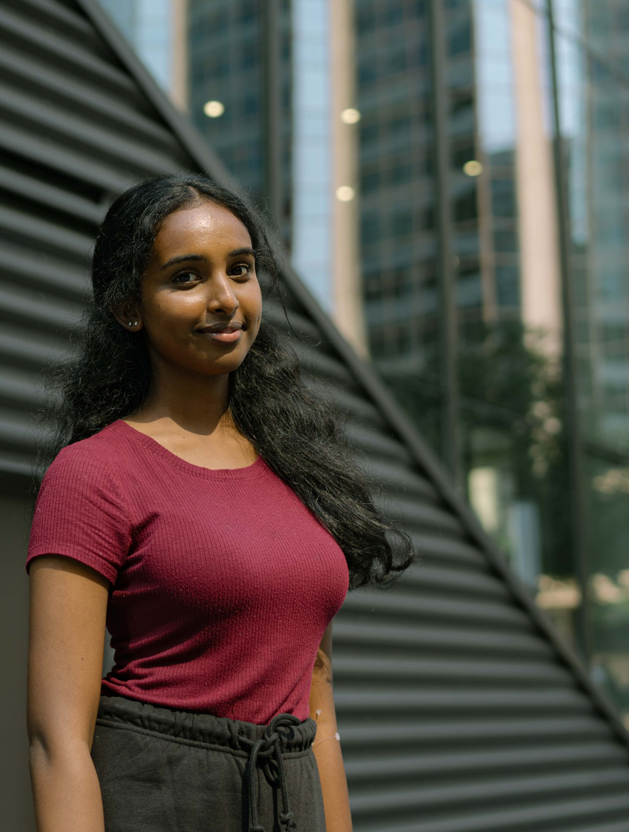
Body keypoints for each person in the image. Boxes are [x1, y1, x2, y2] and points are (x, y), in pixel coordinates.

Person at [25, 174, 414, 832]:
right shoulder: (93, 474)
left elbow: (317, 711)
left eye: (240, 270)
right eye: (186, 277)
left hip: (288, 792)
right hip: (160, 793)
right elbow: (56, 739)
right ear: (129, 306)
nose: (225, 299)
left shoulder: (299, 467)